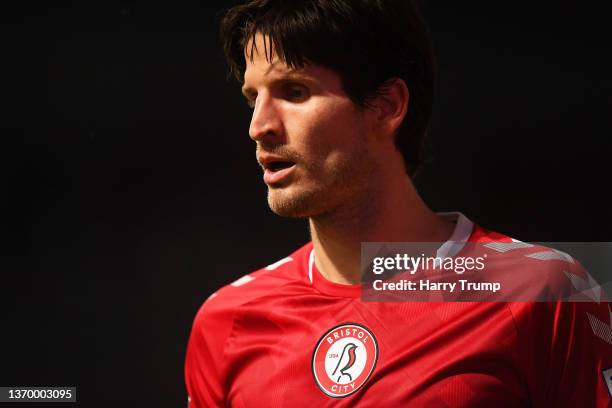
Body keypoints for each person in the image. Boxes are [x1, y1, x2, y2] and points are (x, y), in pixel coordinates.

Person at [185, 1, 611, 406]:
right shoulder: (227, 320)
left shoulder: (544, 292)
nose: (259, 126)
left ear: (387, 107)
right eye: (252, 98)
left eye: (294, 91)